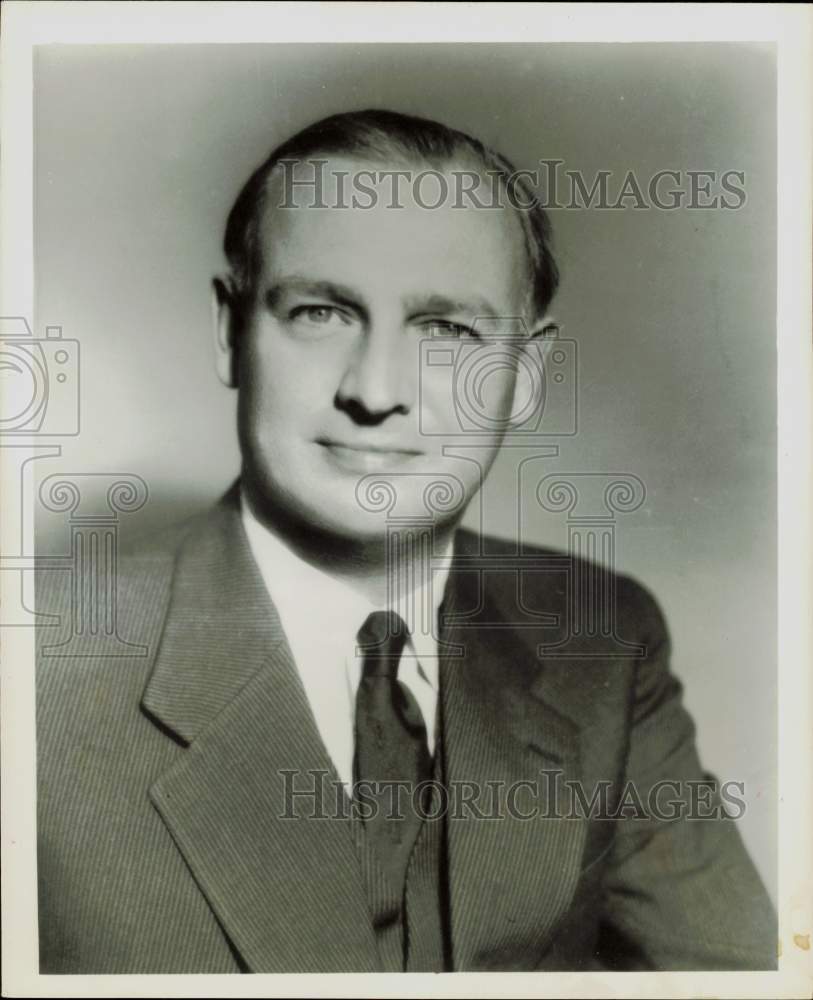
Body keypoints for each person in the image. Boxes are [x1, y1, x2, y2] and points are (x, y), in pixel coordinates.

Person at [36, 109, 776, 974]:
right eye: (319, 312)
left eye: (447, 331)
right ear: (229, 332)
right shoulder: (34, 674)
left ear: (524, 378)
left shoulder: (598, 636)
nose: (376, 390)